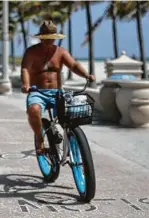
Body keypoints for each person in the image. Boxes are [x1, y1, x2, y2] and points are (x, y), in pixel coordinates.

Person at [21, 20, 96, 154]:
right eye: (46, 38)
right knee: (33, 110)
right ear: (41, 37)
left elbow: (73, 65)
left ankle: (71, 140)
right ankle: (39, 138)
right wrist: (26, 85)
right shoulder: (31, 52)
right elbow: (25, 69)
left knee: (70, 118)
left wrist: (86, 74)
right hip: (38, 91)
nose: (49, 41)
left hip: (57, 92)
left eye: (52, 38)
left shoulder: (60, 52)